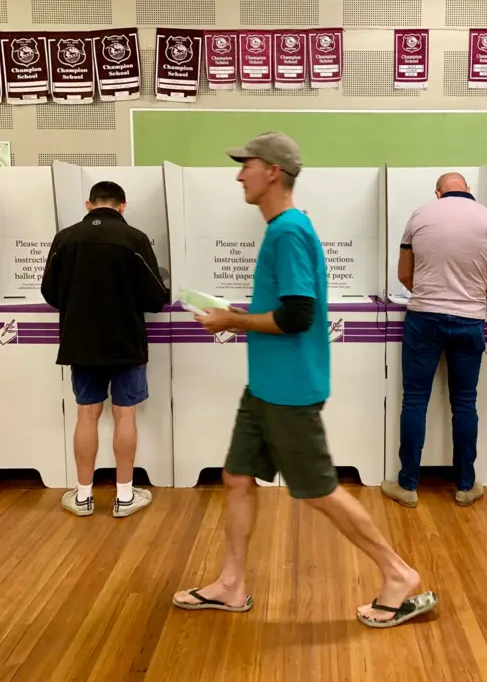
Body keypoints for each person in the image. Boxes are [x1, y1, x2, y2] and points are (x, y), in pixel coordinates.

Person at [172, 132, 438, 628]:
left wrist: (232, 322)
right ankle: (231, 585)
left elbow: (297, 316)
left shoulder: (288, 231)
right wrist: (241, 312)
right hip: (266, 385)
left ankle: (397, 574)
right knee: (236, 477)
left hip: (289, 389)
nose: (238, 174)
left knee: (317, 490)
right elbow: (287, 307)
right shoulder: (284, 228)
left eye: (246, 165)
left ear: (272, 170)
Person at [382, 172, 487, 509]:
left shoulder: (420, 215)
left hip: (423, 317)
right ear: (469, 190)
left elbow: (404, 275)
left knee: (414, 400)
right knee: (465, 403)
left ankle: (408, 484)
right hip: (470, 320)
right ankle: (465, 486)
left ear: (438, 193)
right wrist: (472, 296)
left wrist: (430, 293)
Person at [41, 181, 168, 517]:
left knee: (87, 414)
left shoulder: (64, 238)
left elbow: (49, 291)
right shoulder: (134, 239)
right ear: (122, 206)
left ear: (88, 204)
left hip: (80, 342)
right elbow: (157, 297)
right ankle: (124, 496)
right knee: (124, 414)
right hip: (125, 342)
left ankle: (83, 496)